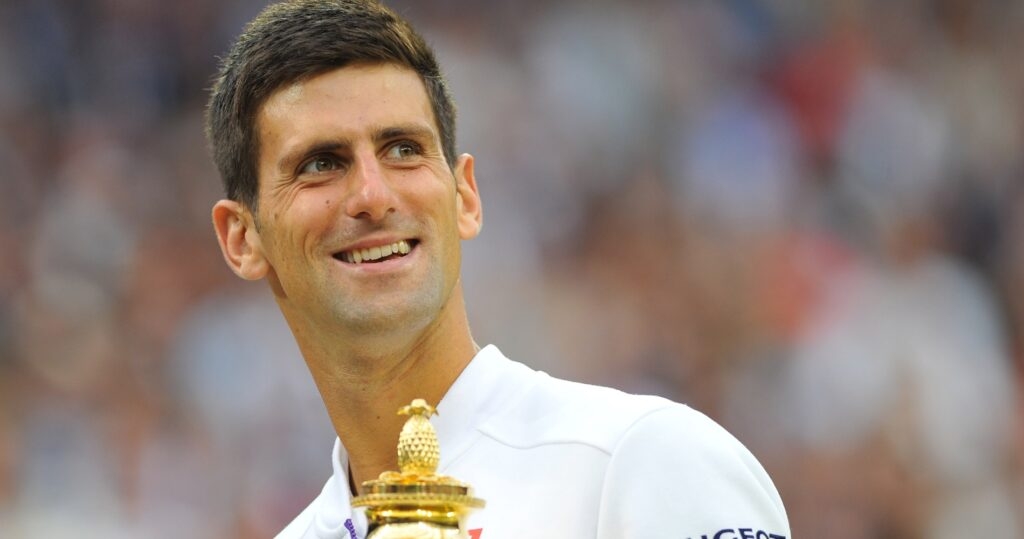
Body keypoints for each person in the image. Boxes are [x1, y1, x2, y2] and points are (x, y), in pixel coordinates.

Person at [206, 1, 790, 537]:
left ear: (465, 195)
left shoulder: (641, 462)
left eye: (403, 149)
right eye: (321, 163)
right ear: (242, 238)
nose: (372, 194)